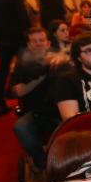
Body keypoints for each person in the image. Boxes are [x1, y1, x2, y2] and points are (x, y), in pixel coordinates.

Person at [10, 27, 65, 171]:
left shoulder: (60, 59)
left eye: (41, 40)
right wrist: (44, 70)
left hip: (61, 110)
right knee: (20, 127)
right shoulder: (22, 64)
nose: (38, 44)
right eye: (34, 41)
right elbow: (16, 91)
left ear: (47, 43)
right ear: (29, 45)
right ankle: (44, 165)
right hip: (36, 112)